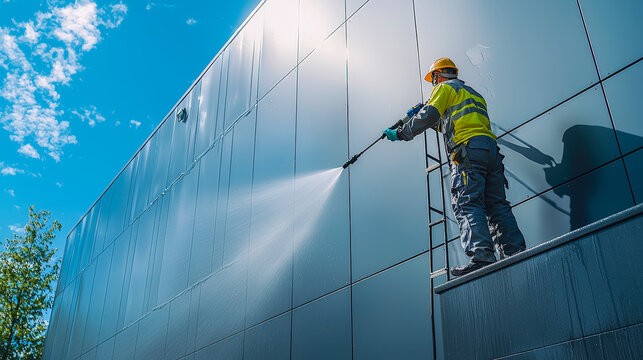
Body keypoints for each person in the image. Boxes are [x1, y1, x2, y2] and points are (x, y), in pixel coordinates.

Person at [383, 57, 526, 277]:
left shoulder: (444, 88)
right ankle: (514, 251)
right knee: (497, 204)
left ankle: (482, 255)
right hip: (490, 152)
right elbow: (448, 122)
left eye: (433, 80)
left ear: (437, 76)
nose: (433, 84)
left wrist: (401, 133)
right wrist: (427, 117)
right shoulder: (472, 94)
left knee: (466, 201)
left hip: (467, 151)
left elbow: (430, 115)